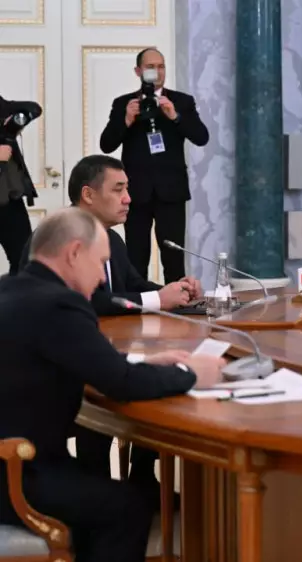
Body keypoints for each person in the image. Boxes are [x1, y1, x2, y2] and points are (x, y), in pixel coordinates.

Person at [0, 207, 224, 562]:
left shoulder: (11, 289)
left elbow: (87, 360)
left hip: (17, 461)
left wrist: (142, 362)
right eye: (100, 262)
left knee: (110, 496)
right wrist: (192, 373)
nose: (102, 279)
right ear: (74, 253)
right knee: (128, 508)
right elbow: (122, 384)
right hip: (18, 477)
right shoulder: (60, 304)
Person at [19, 155, 202, 314]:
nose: (128, 198)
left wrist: (177, 292)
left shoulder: (111, 238)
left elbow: (133, 284)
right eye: (118, 189)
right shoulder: (59, 238)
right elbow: (84, 300)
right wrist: (157, 299)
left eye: (127, 189)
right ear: (88, 195)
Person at [99, 47, 209, 283]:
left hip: (172, 192)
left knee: (174, 259)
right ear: (138, 71)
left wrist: (175, 116)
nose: (157, 72)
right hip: (135, 193)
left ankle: (178, 302)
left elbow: (201, 137)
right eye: (150, 67)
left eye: (161, 66)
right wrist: (126, 120)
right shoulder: (124, 103)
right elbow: (106, 145)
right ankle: (137, 303)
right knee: (135, 258)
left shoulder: (181, 101)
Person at [0, 95, 40, 271]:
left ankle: (18, 290)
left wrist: (12, 121)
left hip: (8, 197)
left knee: (24, 259)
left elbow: (34, 108)